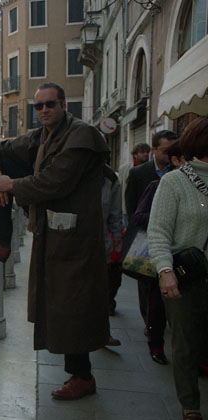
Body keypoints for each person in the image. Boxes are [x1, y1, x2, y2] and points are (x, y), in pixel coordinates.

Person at [0, 82, 110, 400]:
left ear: (64, 105)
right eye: (38, 106)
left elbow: (55, 182)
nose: (43, 110)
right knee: (60, 302)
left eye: (50, 104)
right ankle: (0, 238)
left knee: (72, 305)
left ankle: (82, 376)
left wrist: (11, 184)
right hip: (52, 231)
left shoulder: (81, 136)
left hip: (76, 237)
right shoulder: (40, 137)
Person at [148, 116, 208, 420]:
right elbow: (158, 231)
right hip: (188, 278)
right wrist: (165, 270)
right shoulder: (174, 181)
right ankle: (191, 406)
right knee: (185, 345)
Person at [124, 131, 177, 343]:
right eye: (165, 151)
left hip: (171, 238)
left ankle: (162, 319)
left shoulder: (178, 171)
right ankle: (149, 321)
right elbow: (131, 206)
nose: (169, 155)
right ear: (154, 150)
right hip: (145, 236)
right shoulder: (139, 173)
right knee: (146, 282)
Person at [101, 164, 123, 320]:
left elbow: (115, 216)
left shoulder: (110, 178)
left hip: (102, 246)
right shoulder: (68, 170)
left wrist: (117, 241)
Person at [119, 143, 151, 223]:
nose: (146, 154)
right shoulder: (125, 169)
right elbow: (120, 187)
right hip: (128, 209)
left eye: (147, 152)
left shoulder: (151, 168)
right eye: (142, 152)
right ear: (135, 155)